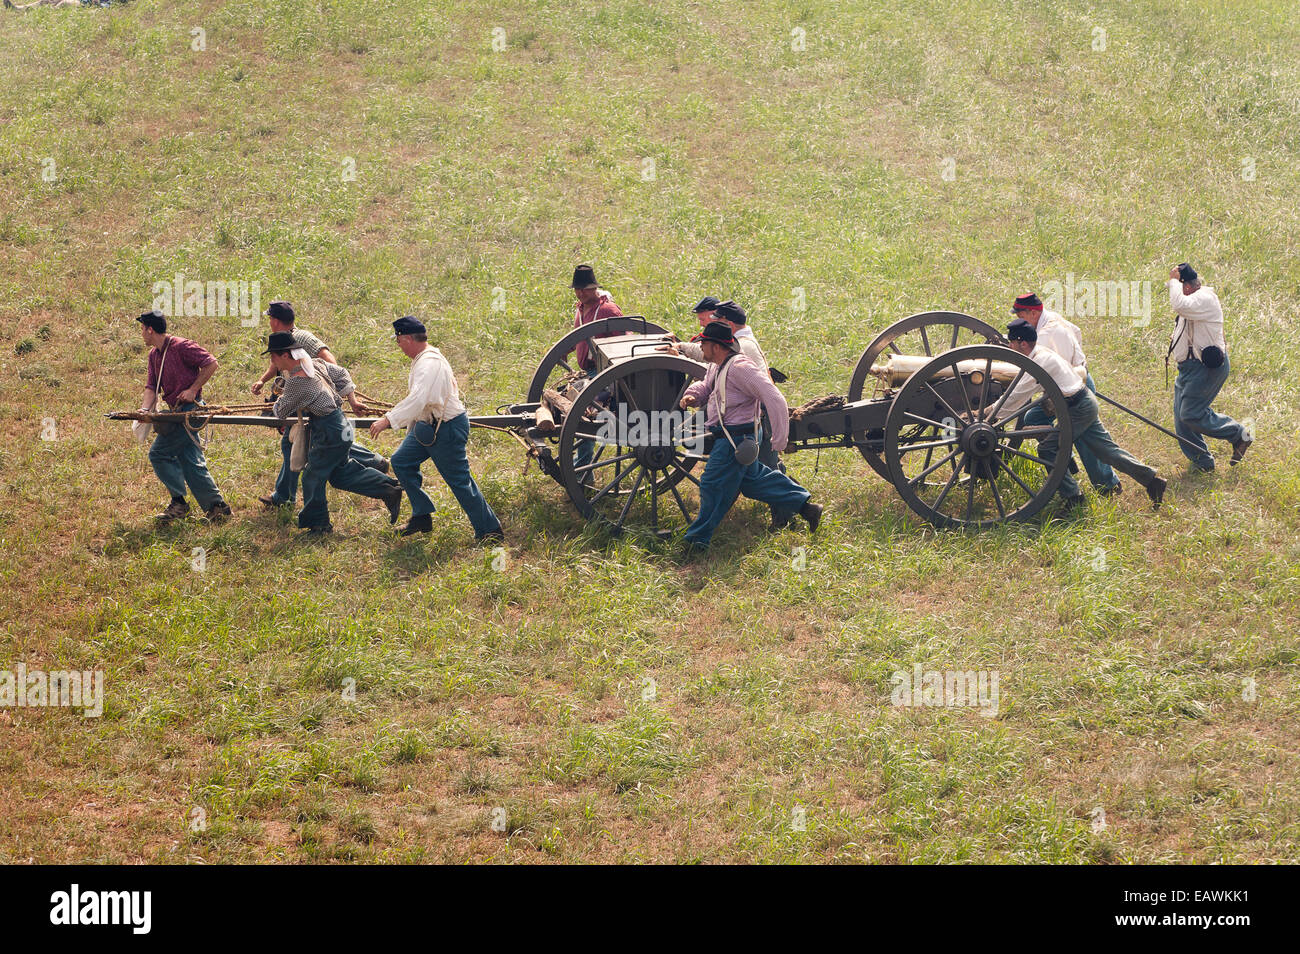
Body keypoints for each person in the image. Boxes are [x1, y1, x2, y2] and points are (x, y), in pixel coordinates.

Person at [677, 322, 821, 552]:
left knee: (712, 484)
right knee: (755, 482)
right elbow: (708, 386)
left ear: (715, 346)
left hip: (736, 438)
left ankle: (696, 541)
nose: (700, 346)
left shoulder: (741, 368)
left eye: (703, 343)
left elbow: (774, 398)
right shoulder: (717, 365)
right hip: (731, 436)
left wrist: (780, 439)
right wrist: (693, 395)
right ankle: (807, 507)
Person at [997, 319, 1166, 510]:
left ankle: (1073, 497)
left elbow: (1017, 396)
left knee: (1047, 449)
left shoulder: (1040, 361)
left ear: (1023, 343)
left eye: (1012, 342)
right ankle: (1152, 480)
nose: (1010, 346)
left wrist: (989, 413)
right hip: (1081, 402)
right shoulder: (1040, 354)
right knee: (1107, 451)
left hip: (1078, 407)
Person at [368, 317, 503, 542]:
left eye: (398, 341)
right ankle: (421, 515)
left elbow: (418, 399)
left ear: (408, 338)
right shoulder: (423, 359)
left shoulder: (428, 363)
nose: (398, 346)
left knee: (460, 482)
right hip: (427, 427)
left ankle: (490, 530)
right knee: (401, 461)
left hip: (446, 429)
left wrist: (388, 420)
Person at [252, 301, 388, 508]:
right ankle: (380, 472)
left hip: (320, 412)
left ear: (276, 320)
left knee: (315, 463)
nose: (269, 321)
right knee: (329, 458)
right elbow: (278, 365)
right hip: (323, 411)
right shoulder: (294, 355)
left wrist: (321, 385)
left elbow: (330, 361)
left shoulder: (302, 345)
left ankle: (289, 500)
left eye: (270, 318)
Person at [265, 332, 403, 534]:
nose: (272, 360)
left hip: (329, 431)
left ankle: (319, 524)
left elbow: (280, 411)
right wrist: (353, 401)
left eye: (273, 356)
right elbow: (342, 374)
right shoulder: (315, 364)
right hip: (340, 424)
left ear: (286, 355)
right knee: (339, 474)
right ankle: (388, 489)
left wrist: (277, 400)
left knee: (312, 476)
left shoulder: (297, 382)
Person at [1010, 292, 1120, 495]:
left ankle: (1107, 485)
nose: (1018, 319)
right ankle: (1065, 461)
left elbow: (1039, 368)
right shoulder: (1051, 318)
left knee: (1087, 439)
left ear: (1032, 313)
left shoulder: (1046, 333)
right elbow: (1076, 332)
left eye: (1020, 314)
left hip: (1074, 386)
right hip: (1065, 384)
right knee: (1032, 419)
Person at [135, 310, 232, 523]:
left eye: (142, 329)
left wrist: (192, 389)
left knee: (158, 454)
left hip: (191, 412)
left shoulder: (181, 346)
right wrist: (144, 411)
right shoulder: (154, 355)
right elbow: (152, 387)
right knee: (190, 461)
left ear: (150, 329)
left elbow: (211, 363)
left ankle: (179, 502)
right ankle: (217, 507)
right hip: (175, 413)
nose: (141, 333)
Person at [1166, 263, 1251, 471]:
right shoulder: (1193, 300)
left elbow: (1179, 305)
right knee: (1181, 420)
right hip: (1188, 368)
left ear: (1185, 286)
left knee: (1191, 414)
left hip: (1204, 369)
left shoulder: (1204, 298)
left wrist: (1173, 282)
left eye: (1177, 286)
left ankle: (1238, 433)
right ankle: (1203, 462)